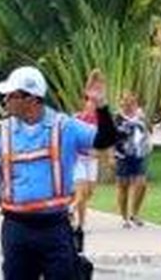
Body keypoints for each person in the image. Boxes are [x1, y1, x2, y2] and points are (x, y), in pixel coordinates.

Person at [0, 66, 116, 279]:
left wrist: (100, 104)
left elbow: (106, 139)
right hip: (16, 229)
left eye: (11, 95)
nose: (5, 101)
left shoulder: (64, 127)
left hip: (55, 229)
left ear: (31, 99)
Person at [70, 70, 105, 252]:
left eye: (94, 102)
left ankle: (79, 220)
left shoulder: (100, 120)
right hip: (78, 160)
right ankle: (76, 219)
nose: (91, 104)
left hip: (93, 160)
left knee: (89, 193)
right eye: (89, 102)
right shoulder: (77, 118)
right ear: (85, 102)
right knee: (81, 193)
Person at [114, 91, 151, 228]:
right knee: (123, 186)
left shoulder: (141, 116)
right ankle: (124, 218)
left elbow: (147, 131)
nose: (128, 104)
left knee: (142, 184)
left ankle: (134, 214)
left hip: (139, 155)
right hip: (122, 156)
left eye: (131, 102)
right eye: (125, 102)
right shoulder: (116, 118)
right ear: (121, 103)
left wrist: (146, 146)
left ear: (135, 103)